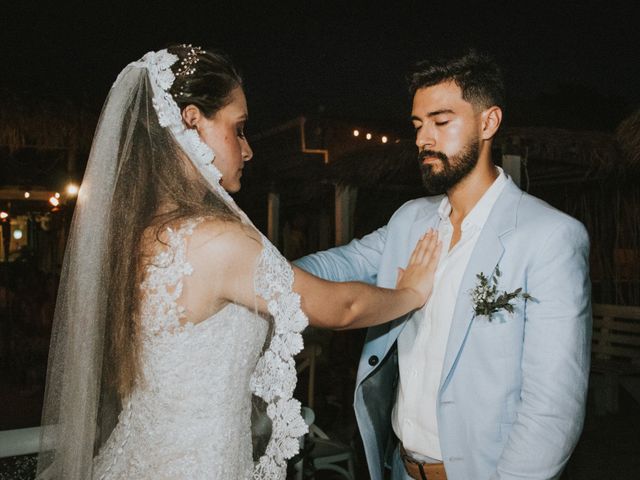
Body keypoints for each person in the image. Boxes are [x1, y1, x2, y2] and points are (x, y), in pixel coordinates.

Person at [35, 45, 441, 480]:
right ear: (192, 121)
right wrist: (411, 293)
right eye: (239, 128)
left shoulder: (146, 232)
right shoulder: (216, 240)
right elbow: (340, 308)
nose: (247, 150)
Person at [296, 49, 591, 480]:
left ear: (488, 123)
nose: (422, 140)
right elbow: (339, 264)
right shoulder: (410, 220)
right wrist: (245, 269)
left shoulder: (549, 236)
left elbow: (553, 408)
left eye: (441, 121)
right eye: (417, 125)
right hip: (398, 467)